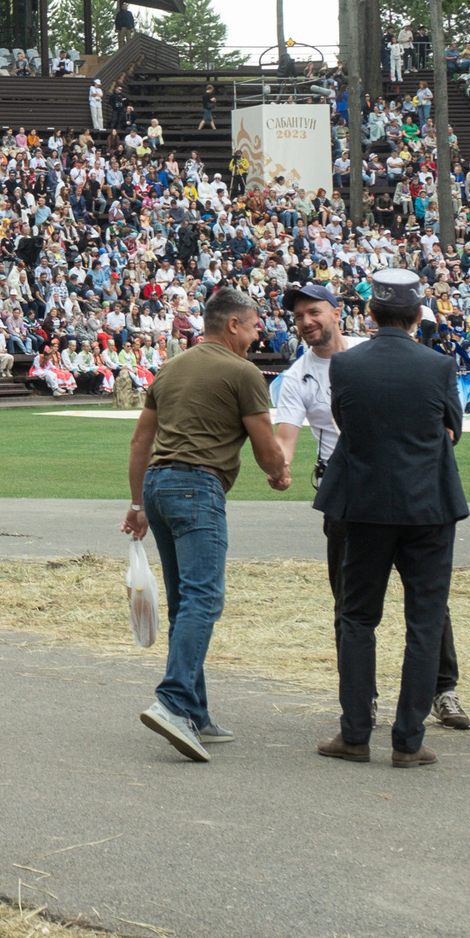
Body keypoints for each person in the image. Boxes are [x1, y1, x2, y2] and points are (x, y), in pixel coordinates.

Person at [274, 282, 469, 734]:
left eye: (314, 311)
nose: (307, 322)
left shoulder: (356, 358)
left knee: (402, 611)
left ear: (340, 313)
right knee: (361, 608)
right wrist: (278, 466)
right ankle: (373, 708)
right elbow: (287, 436)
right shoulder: (300, 375)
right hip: (374, 497)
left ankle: (435, 692)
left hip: (366, 493)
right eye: (300, 315)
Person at [123, 285, 291, 762]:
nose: (259, 334)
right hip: (198, 486)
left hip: (157, 485)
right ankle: (173, 702)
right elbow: (264, 442)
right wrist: (278, 472)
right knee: (204, 597)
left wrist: (136, 504)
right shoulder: (243, 372)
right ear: (233, 324)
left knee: (185, 601)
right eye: (256, 325)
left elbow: (141, 440)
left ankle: (194, 710)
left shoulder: (172, 366)